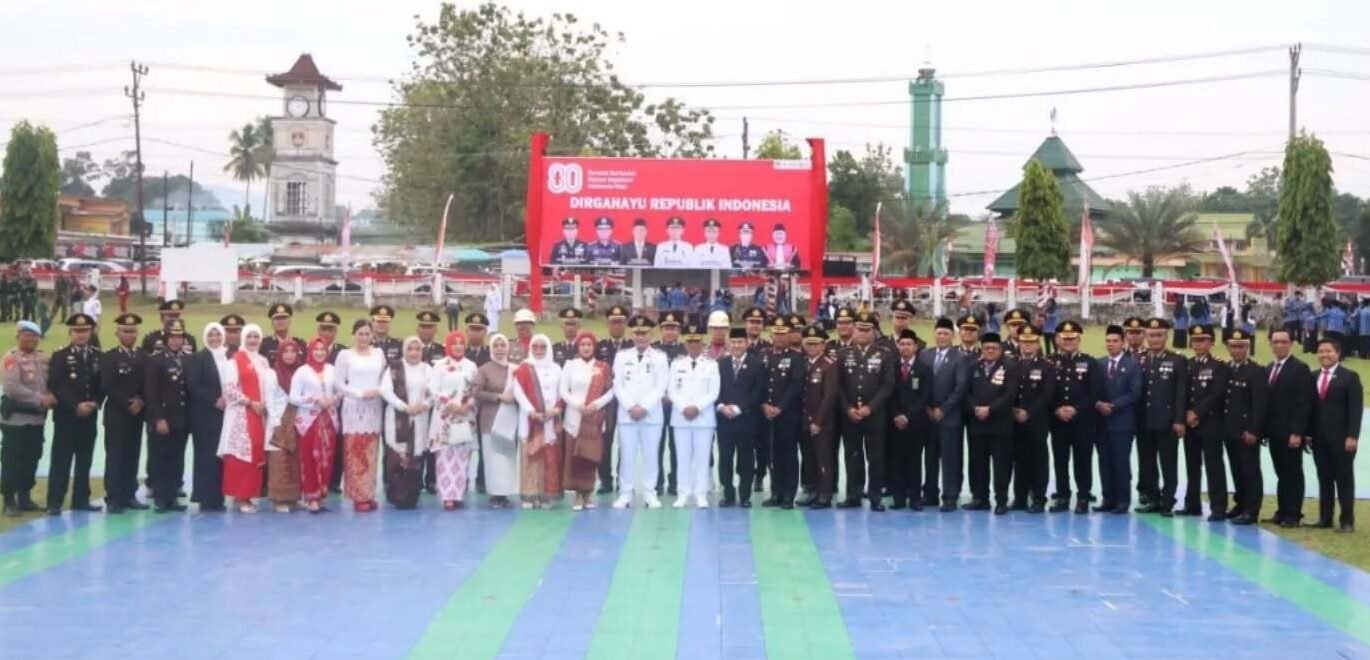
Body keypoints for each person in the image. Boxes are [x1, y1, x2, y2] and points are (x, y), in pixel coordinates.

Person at [46, 312, 104, 515]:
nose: (81, 335)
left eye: (85, 331)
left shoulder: (98, 355)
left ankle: (81, 499)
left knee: (84, 460)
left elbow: (102, 384)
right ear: (70, 332)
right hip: (67, 417)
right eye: (77, 331)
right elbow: (57, 385)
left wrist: (95, 403)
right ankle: (54, 501)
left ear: (91, 331)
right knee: (61, 459)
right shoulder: (60, 356)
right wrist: (75, 405)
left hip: (89, 417)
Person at [835, 311, 892, 511]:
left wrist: (870, 407)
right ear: (854, 329)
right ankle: (853, 495)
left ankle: (875, 496)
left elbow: (887, 385)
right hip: (850, 416)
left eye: (867, 330)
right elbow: (838, 386)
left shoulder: (884, 354)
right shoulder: (843, 354)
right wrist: (848, 408)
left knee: (875, 457)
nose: (863, 333)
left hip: (874, 415)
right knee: (852, 456)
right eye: (860, 329)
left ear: (873, 331)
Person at [612, 316, 669, 509]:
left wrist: (643, 407)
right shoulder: (621, 356)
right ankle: (625, 493)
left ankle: (650, 493)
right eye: (637, 333)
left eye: (644, 333)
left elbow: (661, 386)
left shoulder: (660, 358)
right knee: (626, 455)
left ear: (651, 334)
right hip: (627, 416)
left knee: (651, 455)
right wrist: (630, 407)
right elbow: (617, 385)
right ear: (631, 334)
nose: (640, 337)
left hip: (651, 415)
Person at [964, 332, 1020, 514]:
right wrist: (975, 408)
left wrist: (990, 409)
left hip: (1000, 425)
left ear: (1000, 349)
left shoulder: (1010, 367)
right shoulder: (973, 366)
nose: (990, 351)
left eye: (994, 348)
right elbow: (965, 392)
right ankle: (980, 498)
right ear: (982, 349)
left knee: (1001, 465)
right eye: (987, 348)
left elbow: (1010, 394)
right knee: (977, 464)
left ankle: (1001, 500)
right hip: (977, 423)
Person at [217, 325, 271, 514]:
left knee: (255, 452)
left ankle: (250, 493)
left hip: (259, 414)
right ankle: (240, 497)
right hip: (241, 414)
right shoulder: (234, 361)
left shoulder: (263, 361)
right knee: (240, 454)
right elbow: (229, 389)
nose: (253, 340)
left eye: (257, 336)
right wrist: (249, 402)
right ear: (243, 339)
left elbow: (269, 386)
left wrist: (266, 404)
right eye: (249, 336)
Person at [1177, 324, 1229, 520]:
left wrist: (1196, 412)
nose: (1198, 344)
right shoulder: (1187, 364)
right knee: (1192, 465)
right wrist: (1184, 415)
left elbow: (1216, 394)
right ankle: (1192, 504)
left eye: (1203, 340)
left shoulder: (1218, 365)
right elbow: (1182, 393)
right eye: (1195, 340)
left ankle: (1218, 507)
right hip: (1190, 425)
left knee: (1213, 465)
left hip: (1210, 423)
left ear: (1211, 342)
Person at [1046, 321, 1099, 514]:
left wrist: (1076, 409)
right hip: (1058, 420)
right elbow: (1044, 393)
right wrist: (1057, 410)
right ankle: (1062, 495)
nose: (1068, 342)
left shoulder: (1089, 362)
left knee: (1082, 460)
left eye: (1072, 338)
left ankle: (1083, 496)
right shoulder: (1049, 362)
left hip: (1082, 421)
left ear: (1079, 339)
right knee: (1060, 460)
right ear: (1058, 339)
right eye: (1065, 338)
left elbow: (1093, 393)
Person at [1137, 318, 1187, 516]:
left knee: (1168, 463)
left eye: (1159, 335)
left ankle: (1167, 501)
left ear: (1166, 336)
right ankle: (1153, 498)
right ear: (1146, 337)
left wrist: (1179, 420)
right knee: (1147, 463)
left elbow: (1181, 393)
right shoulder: (1139, 359)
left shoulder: (1177, 360)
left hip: (1167, 421)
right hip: (1144, 421)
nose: (1155, 339)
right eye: (1151, 335)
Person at [919, 317, 970, 511]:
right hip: (928, 416)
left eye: (946, 333)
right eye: (939, 333)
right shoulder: (925, 354)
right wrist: (927, 408)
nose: (942, 336)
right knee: (930, 457)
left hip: (950, 417)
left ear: (953, 335)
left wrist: (943, 409)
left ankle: (950, 495)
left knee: (950, 458)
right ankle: (930, 494)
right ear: (934, 334)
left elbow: (961, 387)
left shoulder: (960, 357)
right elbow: (920, 383)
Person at [666, 324, 719, 508]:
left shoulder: (711, 365)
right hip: (681, 418)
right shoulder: (676, 364)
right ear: (685, 343)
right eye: (690, 342)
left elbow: (714, 392)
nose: (693, 345)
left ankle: (700, 494)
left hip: (703, 418)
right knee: (682, 456)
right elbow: (671, 390)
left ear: (702, 343)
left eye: (696, 342)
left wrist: (697, 407)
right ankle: (683, 493)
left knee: (702, 457)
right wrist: (683, 407)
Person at [2, 321, 52, 516]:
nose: (30, 339)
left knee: (32, 457)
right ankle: (8, 500)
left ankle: (24, 497)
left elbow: (50, 381)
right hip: (16, 419)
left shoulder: (42, 358)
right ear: (18, 337)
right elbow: (12, 386)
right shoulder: (11, 358)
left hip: (36, 419)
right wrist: (41, 398)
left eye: (34, 336)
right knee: (12, 459)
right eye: (26, 335)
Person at [560, 330, 614, 510]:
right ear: (578, 347)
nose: (585, 348)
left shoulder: (602, 367)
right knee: (576, 457)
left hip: (594, 418)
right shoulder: (570, 365)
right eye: (582, 344)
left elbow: (611, 392)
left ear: (594, 347)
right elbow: (563, 391)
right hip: (575, 418)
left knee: (590, 457)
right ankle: (577, 495)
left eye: (589, 344)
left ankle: (588, 494)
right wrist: (578, 405)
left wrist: (596, 405)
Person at [1309, 338, 1360, 533]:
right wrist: (1308, 434)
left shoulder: (1349, 377)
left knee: (1344, 479)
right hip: (1319, 440)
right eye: (1321, 351)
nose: (1324, 355)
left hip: (1342, 439)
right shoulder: (1312, 377)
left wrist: (1352, 436)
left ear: (1337, 353)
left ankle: (1347, 520)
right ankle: (1325, 517)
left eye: (1328, 351)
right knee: (1324, 479)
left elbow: (1355, 409)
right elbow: (1310, 409)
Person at [336, 320, 387, 512]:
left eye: (367, 334)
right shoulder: (345, 355)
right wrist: (358, 393)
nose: (364, 338)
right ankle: (358, 496)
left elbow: (384, 379)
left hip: (373, 407)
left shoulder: (379, 354)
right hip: (354, 408)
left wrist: (378, 391)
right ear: (353, 334)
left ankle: (368, 493)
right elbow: (339, 383)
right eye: (360, 333)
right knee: (355, 451)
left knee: (371, 452)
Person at [1263, 329, 1312, 528]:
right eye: (1275, 342)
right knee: (1281, 473)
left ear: (1291, 343)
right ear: (1271, 344)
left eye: (1284, 342)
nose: (1279, 345)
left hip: (1291, 432)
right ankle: (1282, 510)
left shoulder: (1300, 369)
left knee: (1293, 472)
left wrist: (1297, 432)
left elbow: (1304, 404)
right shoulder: (1268, 368)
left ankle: (1293, 513)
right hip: (1274, 432)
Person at [100, 313, 147, 513]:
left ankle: (129, 494)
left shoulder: (143, 356)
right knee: (115, 455)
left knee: (132, 454)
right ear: (117, 333)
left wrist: (141, 400)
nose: (129, 335)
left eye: (133, 331)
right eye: (125, 331)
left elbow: (149, 383)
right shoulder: (109, 357)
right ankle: (113, 497)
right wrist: (128, 402)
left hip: (137, 414)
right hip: (117, 413)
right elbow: (107, 385)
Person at [143, 319, 192, 513]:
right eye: (172, 336)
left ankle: (172, 497)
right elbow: (151, 392)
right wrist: (158, 418)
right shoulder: (156, 360)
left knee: (177, 458)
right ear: (166, 338)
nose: (176, 340)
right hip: (163, 417)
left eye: (179, 336)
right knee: (160, 458)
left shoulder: (188, 359)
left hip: (182, 417)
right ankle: (161, 499)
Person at [1219, 329, 1267, 525]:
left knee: (1250, 470)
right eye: (1233, 346)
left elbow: (1260, 405)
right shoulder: (1226, 368)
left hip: (1247, 431)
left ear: (1247, 347)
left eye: (1241, 346)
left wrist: (1255, 430)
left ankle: (1251, 509)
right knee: (1236, 469)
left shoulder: (1256, 371)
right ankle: (1240, 504)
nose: (1237, 350)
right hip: (1230, 430)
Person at [429, 333, 481, 510]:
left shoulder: (471, 366)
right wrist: (450, 405)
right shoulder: (439, 366)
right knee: (445, 457)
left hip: (465, 417)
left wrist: (466, 406)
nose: (458, 346)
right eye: (455, 343)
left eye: (461, 343)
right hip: (445, 418)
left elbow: (475, 390)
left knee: (462, 456)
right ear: (448, 345)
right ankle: (447, 496)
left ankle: (458, 494)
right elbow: (432, 390)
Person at [513, 334, 564, 508]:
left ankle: (546, 495)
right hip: (530, 419)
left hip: (550, 419)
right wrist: (531, 412)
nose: (539, 350)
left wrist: (556, 409)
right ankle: (530, 495)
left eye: (543, 347)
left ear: (548, 348)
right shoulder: (524, 367)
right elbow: (518, 392)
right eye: (535, 347)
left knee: (549, 458)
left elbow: (562, 392)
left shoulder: (557, 368)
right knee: (531, 456)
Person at [716, 327, 764, 507]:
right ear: (729, 344)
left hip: (746, 419)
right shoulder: (721, 364)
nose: (736, 345)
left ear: (747, 344)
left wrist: (739, 408)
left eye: (740, 342)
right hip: (724, 420)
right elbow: (714, 389)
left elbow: (758, 392)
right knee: (725, 457)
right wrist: (721, 406)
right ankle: (728, 493)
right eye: (733, 342)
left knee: (746, 458)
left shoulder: (756, 364)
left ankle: (745, 495)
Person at [1095, 325, 1141, 515]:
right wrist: (1098, 403)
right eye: (1108, 341)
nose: (1111, 344)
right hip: (1101, 422)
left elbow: (1135, 393)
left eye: (1115, 341)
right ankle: (1108, 498)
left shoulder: (1133, 365)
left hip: (1122, 421)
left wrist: (1112, 406)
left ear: (1123, 343)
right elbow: (1092, 390)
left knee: (1121, 462)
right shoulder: (1099, 364)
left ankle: (1122, 500)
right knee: (1104, 462)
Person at [1010, 325, 1055, 513]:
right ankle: (1020, 498)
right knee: (1019, 460)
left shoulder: (1046, 366)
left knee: (1038, 460)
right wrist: (1013, 410)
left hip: (1036, 421)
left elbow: (1047, 395)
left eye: (1031, 342)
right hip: (1014, 421)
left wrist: (1028, 412)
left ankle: (1038, 498)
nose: (1027, 345)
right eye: (1024, 342)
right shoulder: (1011, 364)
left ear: (1037, 344)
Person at [886, 328, 932, 511]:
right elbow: (888, 393)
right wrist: (896, 414)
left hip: (916, 422)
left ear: (916, 347)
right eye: (902, 344)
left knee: (914, 460)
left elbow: (925, 396)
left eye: (909, 344)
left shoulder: (924, 369)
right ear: (898, 346)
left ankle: (915, 497)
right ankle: (898, 497)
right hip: (894, 422)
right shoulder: (892, 367)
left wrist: (908, 416)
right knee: (896, 460)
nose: (905, 347)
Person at [291, 339, 339, 513]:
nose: (319, 352)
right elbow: (293, 397)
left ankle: (321, 496)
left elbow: (339, 390)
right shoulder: (302, 372)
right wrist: (315, 400)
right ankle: (311, 497)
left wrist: (333, 399)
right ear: (310, 351)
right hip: (309, 422)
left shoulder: (332, 370)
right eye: (316, 349)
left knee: (326, 459)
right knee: (310, 458)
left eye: (322, 349)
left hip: (329, 422)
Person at [186, 322, 227, 512]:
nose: (214, 339)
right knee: (205, 456)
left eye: (217, 335)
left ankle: (218, 497)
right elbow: (193, 385)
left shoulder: (228, 357)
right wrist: (213, 400)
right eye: (210, 335)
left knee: (220, 456)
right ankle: (205, 497)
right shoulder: (199, 358)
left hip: (225, 415)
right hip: (204, 415)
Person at [474, 334, 518, 508]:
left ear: (508, 348)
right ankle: (494, 494)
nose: (500, 349)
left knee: (507, 458)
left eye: (503, 345)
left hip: (510, 418)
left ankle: (505, 493)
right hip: (491, 420)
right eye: (496, 345)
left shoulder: (516, 369)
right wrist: (498, 397)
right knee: (493, 459)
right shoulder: (484, 369)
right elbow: (477, 392)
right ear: (491, 348)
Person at [263, 339, 304, 513]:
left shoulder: (301, 372)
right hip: (278, 422)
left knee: (294, 461)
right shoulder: (272, 374)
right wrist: (276, 422)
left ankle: (293, 498)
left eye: (292, 351)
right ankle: (279, 499)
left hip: (297, 421)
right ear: (280, 354)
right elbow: (269, 399)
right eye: (285, 351)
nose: (289, 355)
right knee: (279, 460)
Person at [595, 305, 633, 493]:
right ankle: (606, 480)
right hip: (606, 402)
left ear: (625, 324)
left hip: (627, 402)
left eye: (620, 322)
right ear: (608, 323)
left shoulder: (633, 347)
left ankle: (624, 480)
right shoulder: (599, 347)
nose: (617, 326)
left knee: (627, 442)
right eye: (613, 322)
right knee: (605, 442)